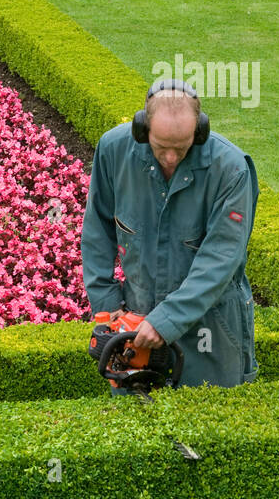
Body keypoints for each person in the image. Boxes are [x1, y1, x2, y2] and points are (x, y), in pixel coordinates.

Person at [81, 79, 259, 389]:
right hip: (136, 322)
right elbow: (97, 229)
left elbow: (221, 258)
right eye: (162, 147)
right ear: (142, 129)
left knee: (209, 427)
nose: (172, 158)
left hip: (212, 328)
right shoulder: (113, 151)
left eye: (182, 147)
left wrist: (166, 321)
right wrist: (107, 305)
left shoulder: (231, 170)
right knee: (134, 429)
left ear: (199, 132)